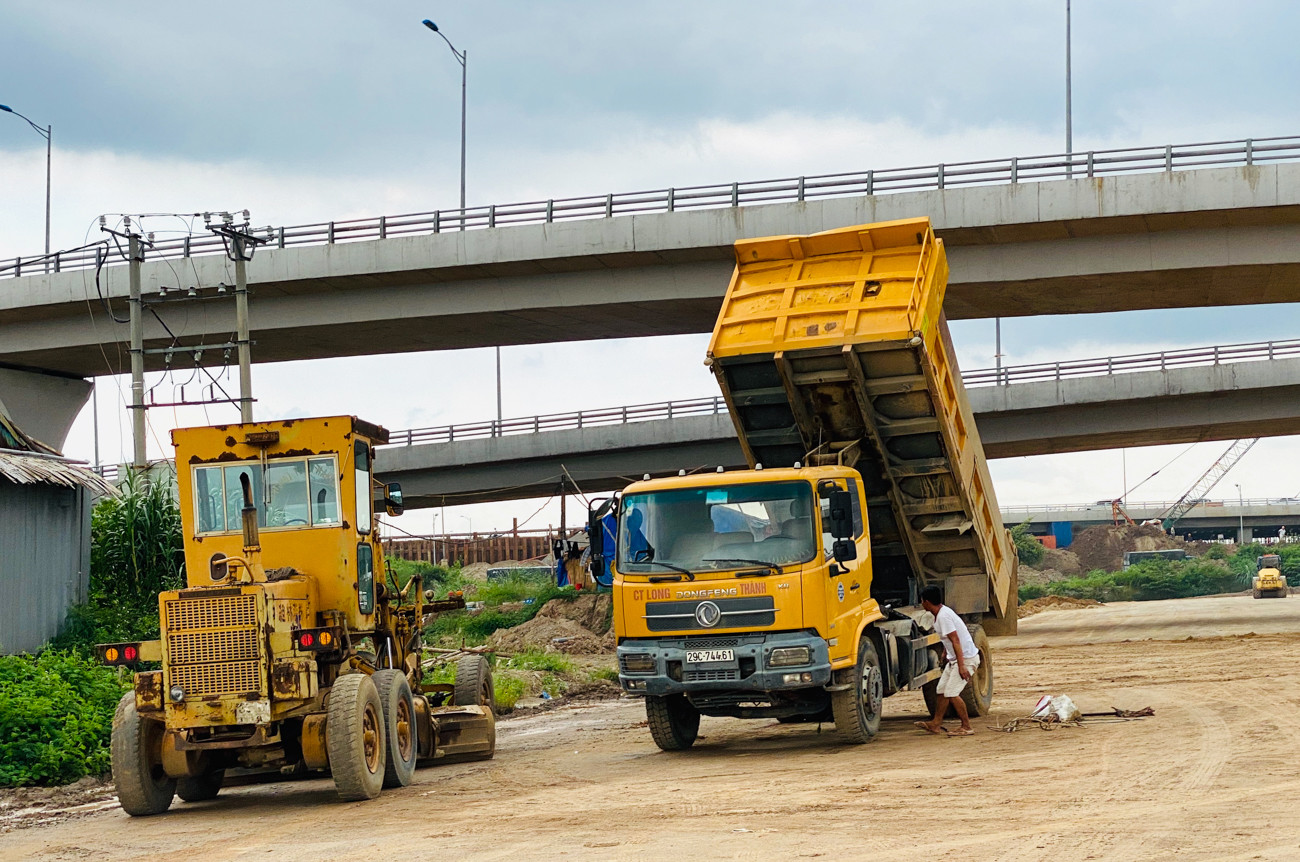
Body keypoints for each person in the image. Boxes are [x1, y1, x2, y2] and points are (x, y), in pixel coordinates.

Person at [914, 585, 980, 737]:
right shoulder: (941, 613)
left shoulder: (943, 616)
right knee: (941, 690)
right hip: (955, 659)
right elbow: (949, 639)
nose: (922, 604)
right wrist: (945, 652)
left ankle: (966, 726)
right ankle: (936, 724)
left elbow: (955, 640)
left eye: (922, 601)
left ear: (927, 602)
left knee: (951, 693)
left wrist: (961, 666)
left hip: (966, 659)